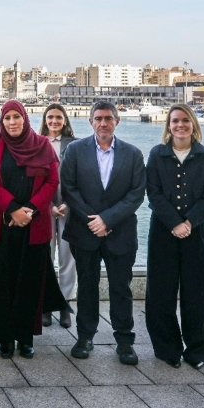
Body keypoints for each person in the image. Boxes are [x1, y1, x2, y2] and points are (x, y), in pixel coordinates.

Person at [0, 100, 71, 358]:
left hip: (34, 225)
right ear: (2, 120)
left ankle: (25, 337)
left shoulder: (42, 145)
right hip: (2, 224)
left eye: (16, 117)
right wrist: (12, 209)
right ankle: (4, 337)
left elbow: (52, 180)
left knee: (29, 283)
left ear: (25, 118)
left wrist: (29, 210)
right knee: (3, 282)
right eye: (7, 118)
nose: (12, 122)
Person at [60, 101, 146, 365]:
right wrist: (93, 220)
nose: (103, 123)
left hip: (120, 233)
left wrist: (107, 220)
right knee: (87, 286)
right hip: (84, 231)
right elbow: (69, 189)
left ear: (117, 122)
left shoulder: (132, 154)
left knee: (121, 287)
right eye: (98, 118)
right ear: (90, 122)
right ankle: (85, 337)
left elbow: (136, 194)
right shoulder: (75, 150)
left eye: (108, 118)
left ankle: (124, 341)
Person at [146, 104, 204, 369]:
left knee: (198, 292)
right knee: (161, 290)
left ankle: (198, 350)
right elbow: (153, 193)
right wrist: (175, 223)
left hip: (197, 232)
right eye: (175, 121)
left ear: (193, 124)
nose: (180, 125)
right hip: (163, 232)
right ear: (168, 126)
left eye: (185, 120)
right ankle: (167, 348)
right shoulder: (157, 154)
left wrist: (189, 222)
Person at [39, 104, 77, 328]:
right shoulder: (36, 143)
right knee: (45, 256)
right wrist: (48, 205)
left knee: (68, 257)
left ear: (65, 120)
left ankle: (65, 304)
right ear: (45, 119)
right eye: (50, 117)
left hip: (68, 208)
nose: (54, 121)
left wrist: (68, 204)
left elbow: (80, 176)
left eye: (58, 117)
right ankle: (45, 304)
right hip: (44, 208)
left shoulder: (75, 144)